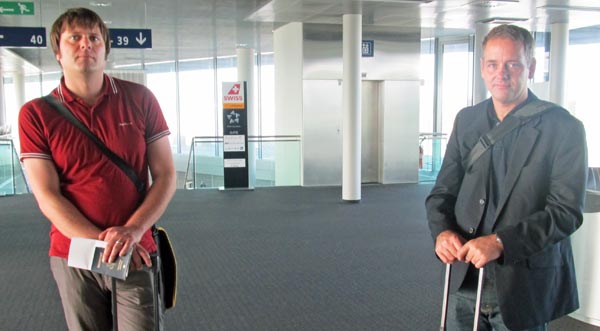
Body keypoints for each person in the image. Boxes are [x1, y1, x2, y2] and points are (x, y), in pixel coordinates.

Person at [18, 7, 176, 331]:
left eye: (94, 38)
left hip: (136, 249)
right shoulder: (35, 115)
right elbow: (47, 195)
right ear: (58, 52)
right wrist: (106, 246)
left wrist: (131, 233)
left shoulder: (140, 99)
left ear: (105, 49)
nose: (85, 45)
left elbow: (166, 175)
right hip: (74, 252)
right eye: (74, 38)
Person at [426, 24, 587, 331]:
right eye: (493, 64)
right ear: (483, 70)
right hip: (465, 283)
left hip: (523, 286)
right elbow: (442, 193)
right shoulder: (468, 120)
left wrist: (501, 242)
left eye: (513, 64)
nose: (502, 73)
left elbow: (566, 213)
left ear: (531, 68)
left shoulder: (563, 129)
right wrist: (442, 232)